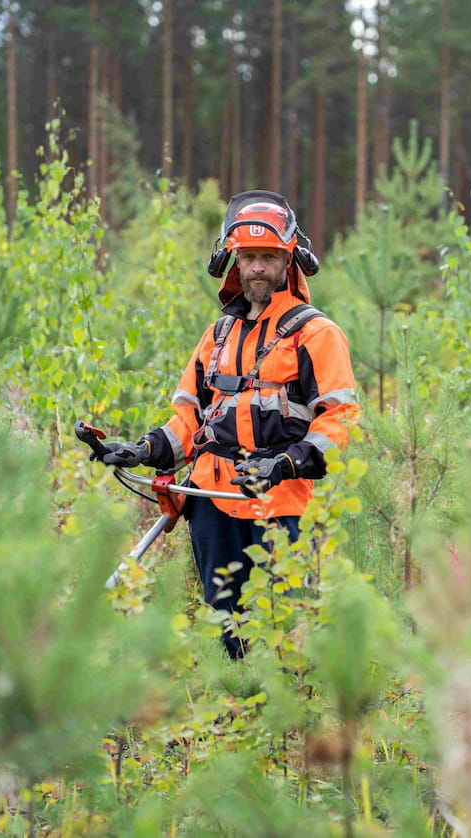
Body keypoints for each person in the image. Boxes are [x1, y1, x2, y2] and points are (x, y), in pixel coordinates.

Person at [94, 190, 359, 657]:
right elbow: (187, 421)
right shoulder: (216, 336)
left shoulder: (317, 333)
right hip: (211, 502)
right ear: (234, 263)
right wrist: (141, 449)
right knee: (226, 630)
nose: (257, 266)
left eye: (268, 256)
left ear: (288, 260)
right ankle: (231, 715)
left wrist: (288, 462)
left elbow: (339, 417)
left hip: (280, 502)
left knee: (283, 628)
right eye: (249, 257)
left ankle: (286, 722)